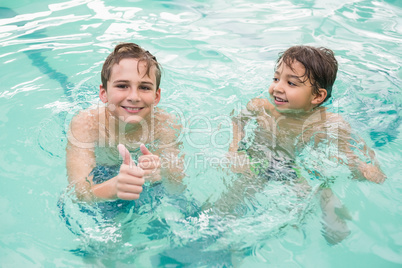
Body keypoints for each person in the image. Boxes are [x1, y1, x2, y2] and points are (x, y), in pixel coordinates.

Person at [223, 45, 386, 243]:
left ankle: (327, 209)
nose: (278, 87)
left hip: (293, 167)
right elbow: (238, 121)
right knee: (232, 198)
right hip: (258, 159)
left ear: (317, 96)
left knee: (305, 198)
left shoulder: (329, 123)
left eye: (291, 83)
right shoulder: (261, 107)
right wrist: (235, 150)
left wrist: (362, 168)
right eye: (276, 78)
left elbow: (349, 155)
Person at [66, 42, 183, 204]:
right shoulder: (86, 124)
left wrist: (161, 172)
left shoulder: (166, 125)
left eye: (144, 87)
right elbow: (79, 194)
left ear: (156, 97)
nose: (134, 97)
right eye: (122, 86)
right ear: (103, 93)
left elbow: (178, 186)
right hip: (103, 171)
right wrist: (111, 189)